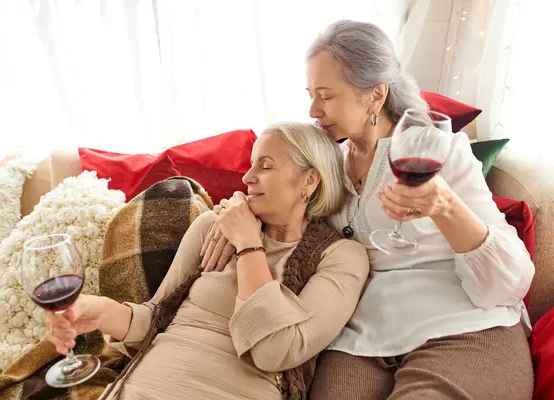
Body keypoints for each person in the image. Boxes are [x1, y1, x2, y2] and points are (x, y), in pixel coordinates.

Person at [201, 21, 535, 399]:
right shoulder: (327, 166)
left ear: (375, 95)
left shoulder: (436, 150)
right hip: (362, 337)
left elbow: (512, 281)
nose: (313, 110)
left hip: (461, 326)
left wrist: (444, 205)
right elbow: (279, 204)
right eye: (310, 94)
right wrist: (236, 210)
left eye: (325, 96)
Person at [45, 122, 370, 400]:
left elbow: (275, 351)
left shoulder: (341, 257)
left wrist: (247, 244)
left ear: (309, 181)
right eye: (251, 164)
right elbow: (155, 319)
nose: (247, 178)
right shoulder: (211, 229)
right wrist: (99, 311)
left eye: (266, 166)